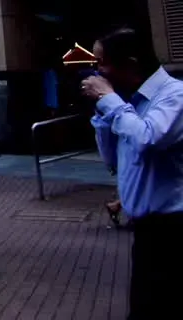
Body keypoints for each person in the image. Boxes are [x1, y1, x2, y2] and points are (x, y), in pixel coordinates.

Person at [82, 28, 183, 318]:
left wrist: (110, 101)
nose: (98, 71)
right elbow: (112, 159)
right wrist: (102, 114)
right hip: (146, 230)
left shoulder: (174, 96)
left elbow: (149, 138)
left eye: (103, 63)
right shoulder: (127, 105)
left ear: (131, 63)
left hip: (173, 229)